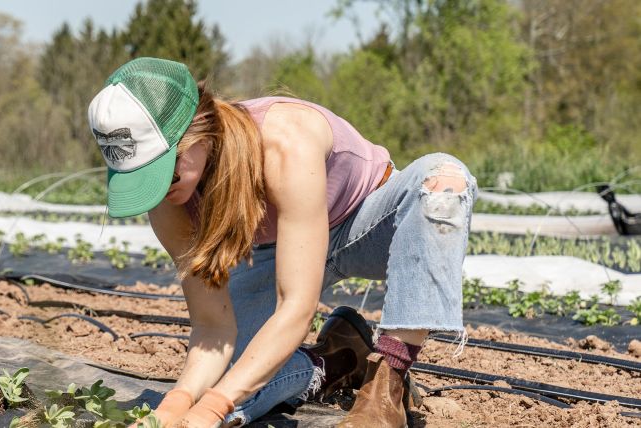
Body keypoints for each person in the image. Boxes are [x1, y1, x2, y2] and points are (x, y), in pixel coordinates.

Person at [87, 57, 477, 427]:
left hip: (366, 224)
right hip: (279, 250)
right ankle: (335, 360)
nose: (162, 189)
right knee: (231, 372)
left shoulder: (283, 141)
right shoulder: (168, 202)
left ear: (199, 126)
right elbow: (212, 327)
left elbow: (297, 308)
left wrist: (215, 407)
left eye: (165, 171)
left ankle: (387, 380)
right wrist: (180, 401)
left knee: (443, 180)